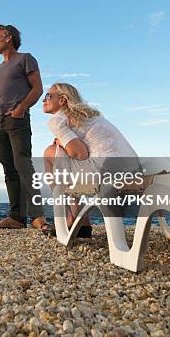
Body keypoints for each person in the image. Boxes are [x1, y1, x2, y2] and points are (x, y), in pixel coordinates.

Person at [42, 82, 140, 238]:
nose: (43, 100)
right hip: (133, 169)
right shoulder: (89, 115)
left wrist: (61, 144)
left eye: (48, 96)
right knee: (62, 158)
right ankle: (82, 222)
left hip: (107, 171)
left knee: (50, 153)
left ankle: (71, 219)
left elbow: (79, 153)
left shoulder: (57, 119)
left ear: (62, 100)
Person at [0, 24, 52, 232]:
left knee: (23, 166)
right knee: (9, 170)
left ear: (8, 38)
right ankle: (16, 217)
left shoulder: (25, 59)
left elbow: (38, 88)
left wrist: (22, 107)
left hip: (17, 121)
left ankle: (37, 217)